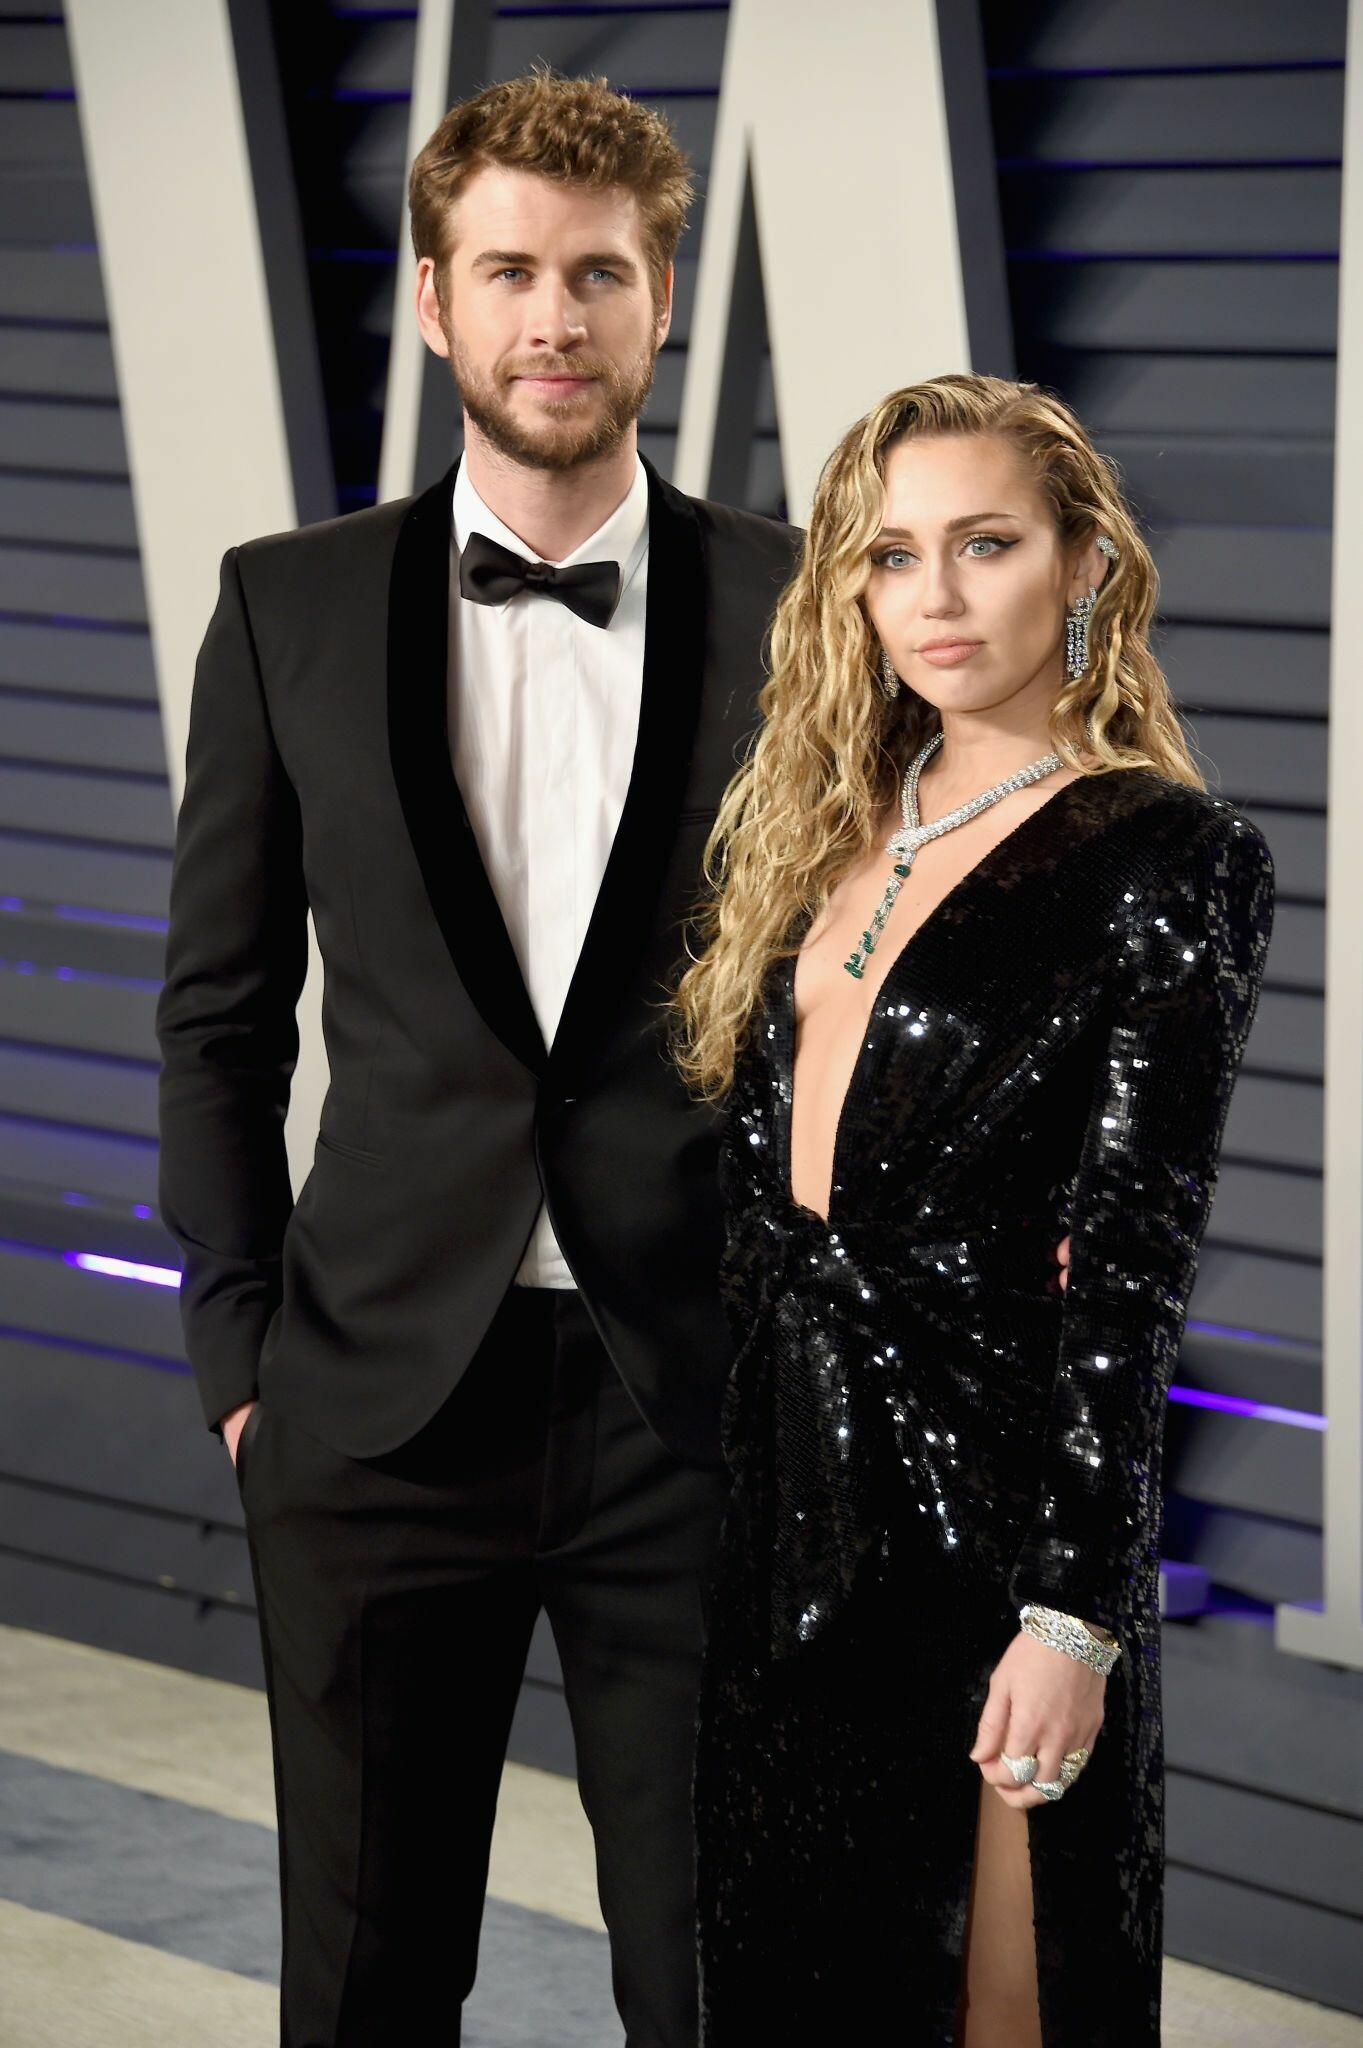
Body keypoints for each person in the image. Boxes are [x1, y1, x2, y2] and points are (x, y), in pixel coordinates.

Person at [154, 68, 803, 2047]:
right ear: (435, 301)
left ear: (661, 300)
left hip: (696, 1407)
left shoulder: (805, 610)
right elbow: (218, 1012)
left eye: (598, 274)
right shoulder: (284, 603)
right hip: (368, 1411)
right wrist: (241, 1363)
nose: (555, 319)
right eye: (508, 272)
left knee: (725, 1981)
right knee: (365, 1985)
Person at [672, 373, 1274, 2047]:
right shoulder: (822, 822)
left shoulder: (1167, 855)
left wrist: (1074, 1616)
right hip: (788, 1519)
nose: (934, 596)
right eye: (892, 555)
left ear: (1082, 565)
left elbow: (1132, 1273)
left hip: (989, 1517)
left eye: (986, 544)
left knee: (999, 1998)